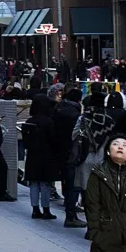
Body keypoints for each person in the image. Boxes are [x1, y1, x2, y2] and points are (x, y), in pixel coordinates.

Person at [21, 91, 68, 219]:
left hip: (32, 156)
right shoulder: (49, 121)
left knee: (34, 184)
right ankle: (46, 209)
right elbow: (54, 140)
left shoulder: (30, 121)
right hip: (47, 156)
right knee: (45, 184)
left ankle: (35, 209)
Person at [54, 84, 86, 227]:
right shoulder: (75, 115)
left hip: (60, 149)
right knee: (74, 183)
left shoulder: (59, 109)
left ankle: (68, 205)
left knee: (67, 180)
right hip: (72, 150)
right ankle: (71, 214)